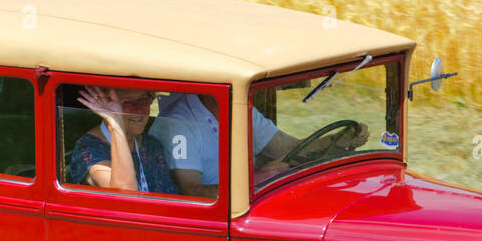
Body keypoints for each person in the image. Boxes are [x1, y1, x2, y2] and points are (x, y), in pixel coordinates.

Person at [151, 92, 369, 198]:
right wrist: (260, 178)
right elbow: (192, 192)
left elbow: (287, 148)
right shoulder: (179, 124)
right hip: (221, 219)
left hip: (252, 197)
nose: (251, 96)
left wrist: (337, 141)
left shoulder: (238, 108)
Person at [68, 86, 180, 194]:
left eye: (143, 100)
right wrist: (115, 123)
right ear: (106, 105)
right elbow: (125, 193)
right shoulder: (89, 148)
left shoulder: (152, 144)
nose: (139, 110)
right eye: (127, 102)